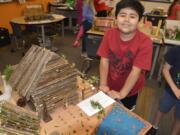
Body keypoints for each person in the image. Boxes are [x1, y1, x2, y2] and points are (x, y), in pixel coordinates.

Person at [97, 0, 153, 110]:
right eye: (123, 15)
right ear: (115, 18)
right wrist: (103, 84)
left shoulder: (145, 42)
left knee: (124, 113)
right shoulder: (109, 34)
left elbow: (136, 71)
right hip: (110, 83)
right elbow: (104, 60)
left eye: (132, 16)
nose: (127, 20)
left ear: (140, 21)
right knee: (105, 112)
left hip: (130, 89)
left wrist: (122, 94)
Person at [147, 47, 180, 135]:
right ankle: (154, 127)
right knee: (162, 109)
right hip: (170, 92)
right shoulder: (176, 50)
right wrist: (175, 89)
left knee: (179, 118)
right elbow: (165, 70)